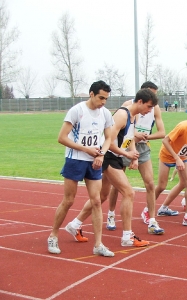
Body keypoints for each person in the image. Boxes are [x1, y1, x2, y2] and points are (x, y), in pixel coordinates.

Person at [65, 88, 159, 249]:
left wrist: (132, 152)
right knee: (129, 193)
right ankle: (127, 236)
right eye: (149, 107)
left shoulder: (134, 115)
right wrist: (122, 154)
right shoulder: (122, 115)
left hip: (114, 156)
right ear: (140, 102)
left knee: (101, 197)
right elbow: (108, 140)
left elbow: (129, 137)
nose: (150, 111)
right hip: (107, 156)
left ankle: (75, 224)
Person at [47, 80, 115, 257]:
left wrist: (101, 154)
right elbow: (61, 138)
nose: (103, 102)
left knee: (97, 201)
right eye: (101, 98)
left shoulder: (105, 114)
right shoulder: (77, 111)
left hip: (94, 161)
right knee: (69, 200)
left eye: (106, 99)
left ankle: (98, 244)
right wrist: (86, 149)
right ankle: (53, 235)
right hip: (75, 159)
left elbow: (108, 137)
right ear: (91, 94)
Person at [107, 81, 166, 235]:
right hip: (124, 146)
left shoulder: (155, 108)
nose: (152, 97)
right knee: (117, 185)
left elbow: (162, 133)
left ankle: (152, 220)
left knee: (150, 184)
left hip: (142, 147)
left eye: (154, 94)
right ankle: (111, 214)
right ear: (141, 94)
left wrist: (146, 137)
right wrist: (133, 138)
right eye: (150, 93)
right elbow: (119, 131)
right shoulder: (127, 106)